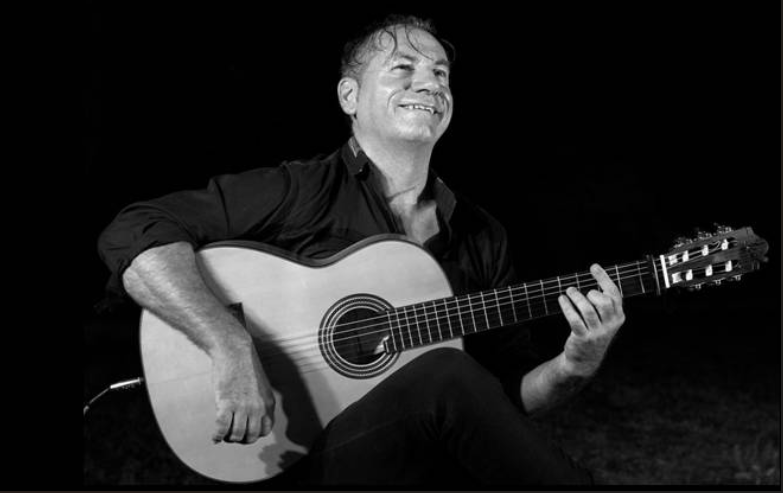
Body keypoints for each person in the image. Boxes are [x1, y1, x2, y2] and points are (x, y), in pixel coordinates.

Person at [97, 14, 625, 485]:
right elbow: (134, 231)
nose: (430, 83)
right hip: (289, 457)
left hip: (415, 458)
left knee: (452, 381)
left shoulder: (481, 234)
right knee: (446, 371)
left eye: (441, 74)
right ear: (349, 97)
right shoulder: (301, 191)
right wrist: (228, 344)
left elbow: (504, 403)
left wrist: (574, 365)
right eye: (403, 68)